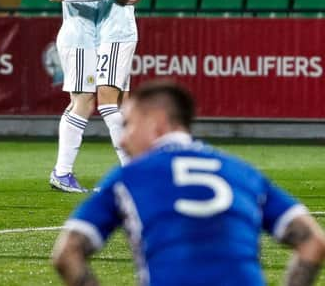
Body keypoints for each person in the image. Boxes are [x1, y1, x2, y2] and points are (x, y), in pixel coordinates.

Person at [52, 80, 325, 286]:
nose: (122, 139)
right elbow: (314, 241)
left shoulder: (130, 177)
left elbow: (66, 254)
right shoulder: (243, 172)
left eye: (129, 125)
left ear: (157, 124)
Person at [50, 0, 141, 193]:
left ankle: (132, 172)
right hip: (81, 37)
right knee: (89, 101)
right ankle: (63, 172)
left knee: (102, 102)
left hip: (102, 35)